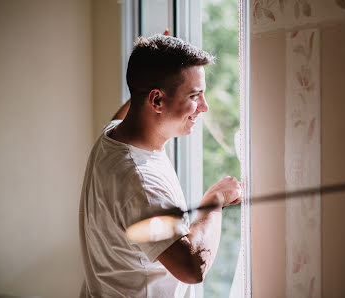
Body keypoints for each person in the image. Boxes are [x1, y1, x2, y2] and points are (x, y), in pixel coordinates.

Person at [78, 34, 242, 298]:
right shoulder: (140, 183)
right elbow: (192, 269)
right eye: (195, 95)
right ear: (156, 101)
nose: (204, 106)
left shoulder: (112, 138)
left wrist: (155, 67)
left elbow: (133, 103)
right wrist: (215, 200)